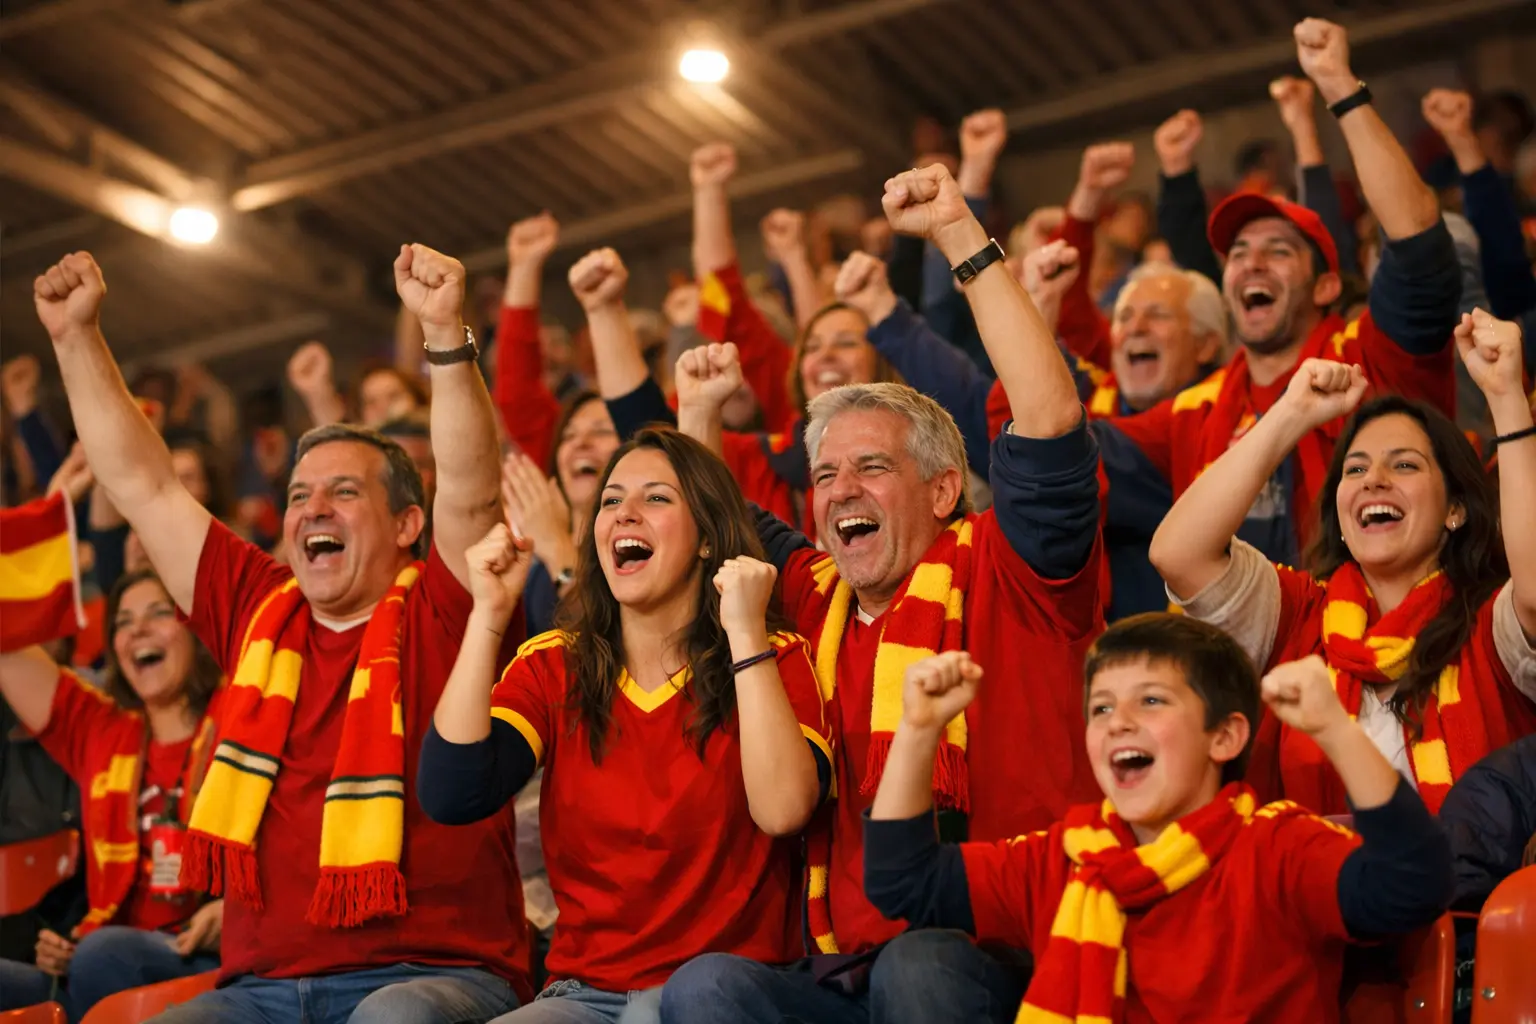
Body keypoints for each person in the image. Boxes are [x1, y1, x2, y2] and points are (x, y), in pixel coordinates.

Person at [31, 246, 530, 1022]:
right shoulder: (258, 606)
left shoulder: (447, 606)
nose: (311, 510)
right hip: (261, 991)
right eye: (298, 495)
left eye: (342, 491)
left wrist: (444, 338)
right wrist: (75, 338)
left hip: (430, 976)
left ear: (408, 524)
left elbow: (469, 487)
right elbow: (145, 484)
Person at [660, 160, 1104, 1024]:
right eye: (825, 475)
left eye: (871, 467)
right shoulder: (815, 590)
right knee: (706, 989)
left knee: (922, 968)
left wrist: (957, 235)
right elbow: (711, 525)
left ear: (943, 491)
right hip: (842, 968)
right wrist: (701, 415)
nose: (841, 492)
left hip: (1009, 955)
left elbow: (1047, 422)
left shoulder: (1015, 566)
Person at [419, 424, 831, 1023]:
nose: (624, 515)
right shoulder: (555, 661)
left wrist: (744, 634)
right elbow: (452, 791)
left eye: (656, 498)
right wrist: (489, 614)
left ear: (708, 539)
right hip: (584, 993)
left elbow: (785, 810)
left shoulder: (775, 656)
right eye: (611, 501)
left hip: (727, 988)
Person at [863, 617, 1453, 1024]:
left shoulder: (1276, 844)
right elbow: (904, 881)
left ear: (1224, 736)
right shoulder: (1070, 856)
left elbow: (1412, 885)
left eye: (1150, 700)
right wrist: (918, 730)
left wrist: (1334, 730)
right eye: (1100, 707)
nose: (1117, 721)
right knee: (917, 963)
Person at [1103, 18, 1462, 569]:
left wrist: (1340, 87)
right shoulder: (1199, 406)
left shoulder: (1369, 357)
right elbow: (1067, 452)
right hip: (1235, 648)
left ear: (1326, 285)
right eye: (1239, 252)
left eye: (1278, 251)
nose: (1251, 262)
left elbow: (1417, 244)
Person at [1151, 309, 1536, 815]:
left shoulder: (1489, 626)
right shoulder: (1298, 614)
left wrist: (1507, 399)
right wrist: (1290, 414)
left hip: (1465, 893)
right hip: (1316, 891)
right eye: (1355, 469)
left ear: (1456, 510)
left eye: (1404, 464)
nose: (1374, 479)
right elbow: (1177, 554)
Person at [597, 145, 901, 538]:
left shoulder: (909, 445)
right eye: (811, 349)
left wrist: (793, 259)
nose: (825, 356)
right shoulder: (752, 455)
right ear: (797, 373)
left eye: (846, 344)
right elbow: (644, 421)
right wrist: (601, 308)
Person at [0, 571, 224, 1021]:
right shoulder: (103, 730)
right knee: (96, 956)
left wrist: (231, 910)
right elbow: (7, 643)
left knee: (103, 954)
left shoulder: (243, 714)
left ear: (197, 632)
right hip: (98, 958)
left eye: (159, 613)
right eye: (122, 621)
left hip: (209, 955)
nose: (137, 629)